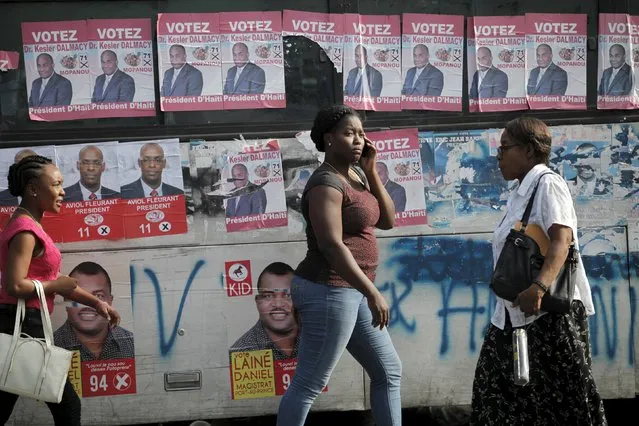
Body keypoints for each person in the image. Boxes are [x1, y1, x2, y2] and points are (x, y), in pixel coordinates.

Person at [470, 117, 607, 425]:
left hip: (548, 316)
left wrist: (539, 288)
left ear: (530, 151)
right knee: (496, 396)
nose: (499, 155)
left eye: (505, 148)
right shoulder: (522, 191)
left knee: (564, 402)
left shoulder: (548, 183)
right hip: (512, 315)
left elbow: (563, 239)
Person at [276, 105, 402, 426]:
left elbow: (387, 220)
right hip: (328, 289)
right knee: (309, 382)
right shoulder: (326, 183)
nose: (358, 140)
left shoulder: (356, 175)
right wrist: (372, 291)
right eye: (349, 133)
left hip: (351, 290)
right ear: (330, 139)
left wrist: (372, 170)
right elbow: (332, 246)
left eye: (361, 133)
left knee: (388, 371)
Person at [0, 155, 120, 425]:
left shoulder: (29, 224)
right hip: (23, 327)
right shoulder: (25, 231)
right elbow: (15, 285)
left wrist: (97, 303)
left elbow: (53, 280)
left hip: (24, 326)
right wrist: (58, 286)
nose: (63, 191)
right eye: (55, 184)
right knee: (68, 407)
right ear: (33, 189)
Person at [54, 261, 134, 361]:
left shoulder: (132, 343)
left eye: (99, 296)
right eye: (80, 298)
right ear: (66, 301)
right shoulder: (50, 347)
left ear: (110, 301)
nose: (88, 305)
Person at [229, 262, 298, 360]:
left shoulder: (317, 339)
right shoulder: (242, 352)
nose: (278, 305)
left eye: (288, 295)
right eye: (268, 296)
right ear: (258, 302)